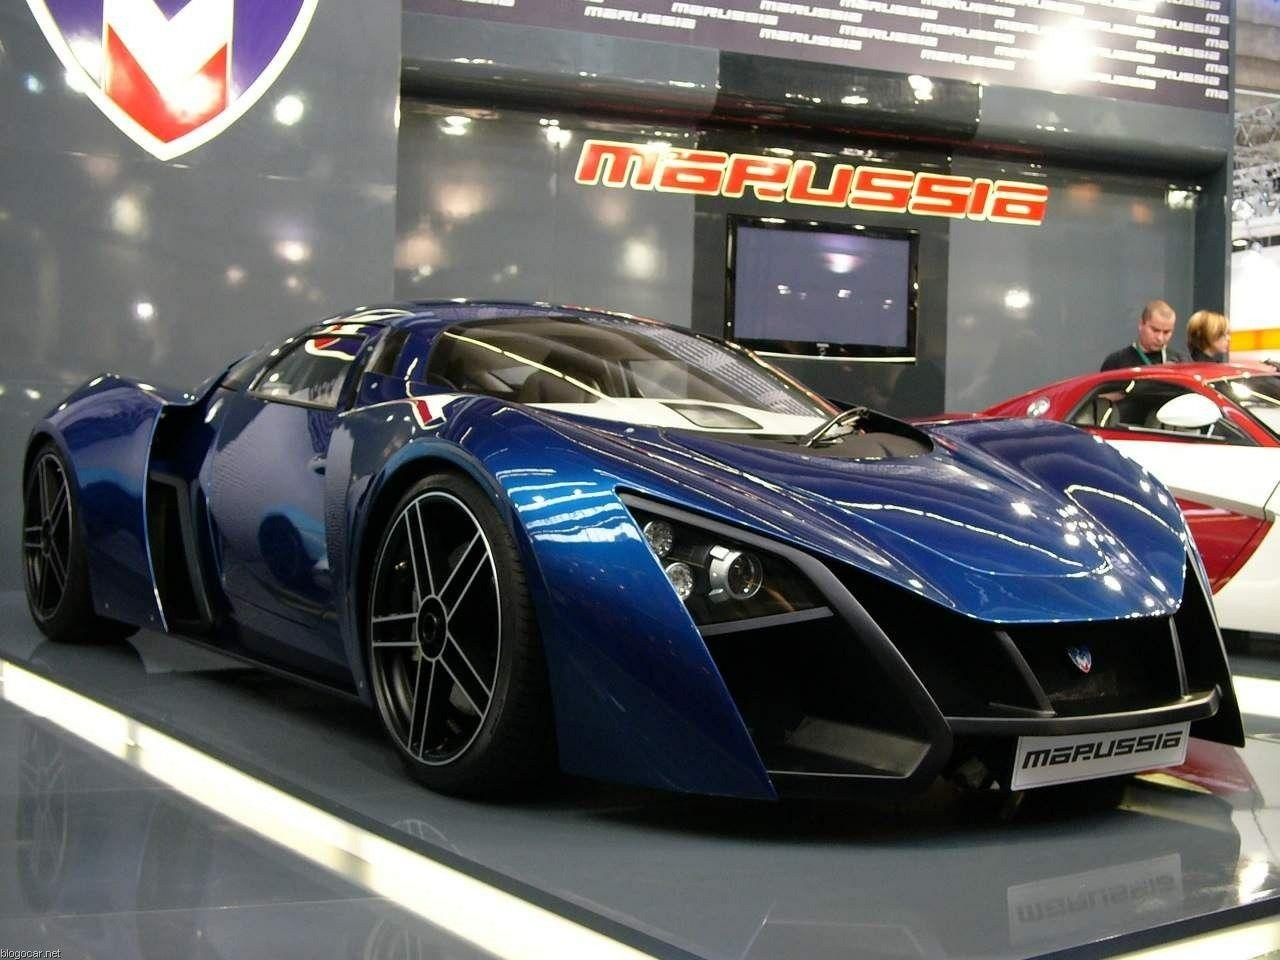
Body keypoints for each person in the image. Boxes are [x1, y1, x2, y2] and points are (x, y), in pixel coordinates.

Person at [1100, 300, 1189, 371]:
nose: (1160, 338)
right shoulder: (1116, 362)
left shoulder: (1182, 362)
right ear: (1141, 324)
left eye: (1166, 332)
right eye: (1155, 330)